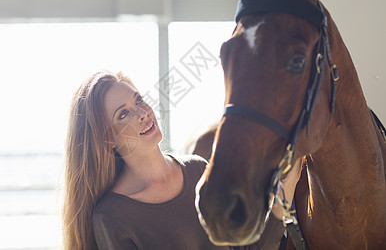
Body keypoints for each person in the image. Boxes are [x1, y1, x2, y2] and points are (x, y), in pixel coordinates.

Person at [62, 70, 302, 250]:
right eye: (123, 114)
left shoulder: (199, 169)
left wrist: (280, 203)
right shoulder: (112, 217)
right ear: (107, 139)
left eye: (139, 100)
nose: (143, 113)